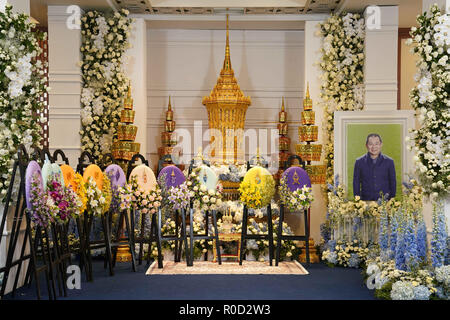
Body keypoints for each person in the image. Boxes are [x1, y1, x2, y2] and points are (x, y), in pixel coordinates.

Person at [353, 133, 396, 201]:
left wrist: (391, 199)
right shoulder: (359, 162)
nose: (374, 147)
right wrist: (358, 200)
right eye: (371, 144)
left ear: (381, 144)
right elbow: (356, 183)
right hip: (366, 201)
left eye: (376, 144)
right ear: (366, 145)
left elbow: (393, 182)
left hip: (384, 201)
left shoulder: (389, 162)